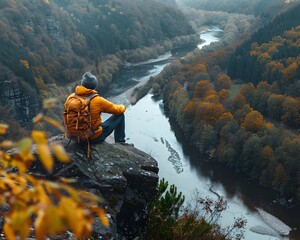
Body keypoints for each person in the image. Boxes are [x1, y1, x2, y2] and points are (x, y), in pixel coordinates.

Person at [66, 72, 126, 144]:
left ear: (82, 84)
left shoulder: (71, 97)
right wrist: (123, 106)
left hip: (74, 136)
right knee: (120, 115)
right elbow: (118, 110)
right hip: (92, 138)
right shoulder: (98, 100)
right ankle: (120, 142)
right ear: (94, 86)